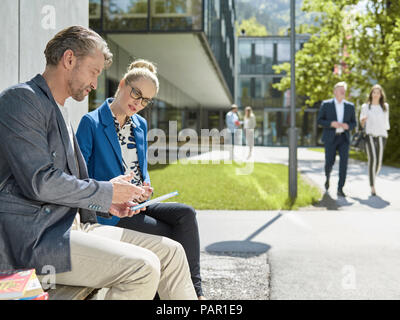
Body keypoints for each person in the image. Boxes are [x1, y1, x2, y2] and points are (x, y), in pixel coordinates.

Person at [0, 26, 197, 300]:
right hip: (37, 240)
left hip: (76, 227)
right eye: (93, 72)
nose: (94, 84)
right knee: (143, 267)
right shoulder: (22, 100)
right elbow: (40, 181)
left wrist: (108, 202)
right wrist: (106, 192)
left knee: (172, 252)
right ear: (69, 60)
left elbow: (73, 185)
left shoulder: (59, 111)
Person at [76, 59, 205, 299]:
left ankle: (197, 293)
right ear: (123, 84)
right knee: (169, 234)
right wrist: (112, 189)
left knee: (185, 214)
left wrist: (145, 187)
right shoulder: (91, 123)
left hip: (138, 205)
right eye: (136, 93)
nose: (139, 103)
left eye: (145, 100)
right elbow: (78, 178)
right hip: (111, 211)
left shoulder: (140, 124)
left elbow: (141, 168)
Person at [317, 81, 356, 197]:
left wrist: (348, 126)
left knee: (343, 164)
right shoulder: (326, 104)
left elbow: (354, 123)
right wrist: (331, 123)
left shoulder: (350, 106)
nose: (342, 91)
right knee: (329, 162)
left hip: (344, 138)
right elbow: (319, 121)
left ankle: (340, 188)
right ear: (335, 92)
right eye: (340, 89)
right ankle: (327, 178)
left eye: (344, 89)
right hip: (330, 138)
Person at [359, 84, 390, 196]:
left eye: (378, 92)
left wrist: (386, 134)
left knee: (379, 163)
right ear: (371, 94)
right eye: (374, 92)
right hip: (370, 135)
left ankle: (372, 176)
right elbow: (362, 124)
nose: (376, 94)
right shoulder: (365, 107)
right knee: (373, 159)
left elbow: (386, 123)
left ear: (381, 94)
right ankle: (372, 186)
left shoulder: (385, 106)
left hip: (382, 135)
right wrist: (363, 120)